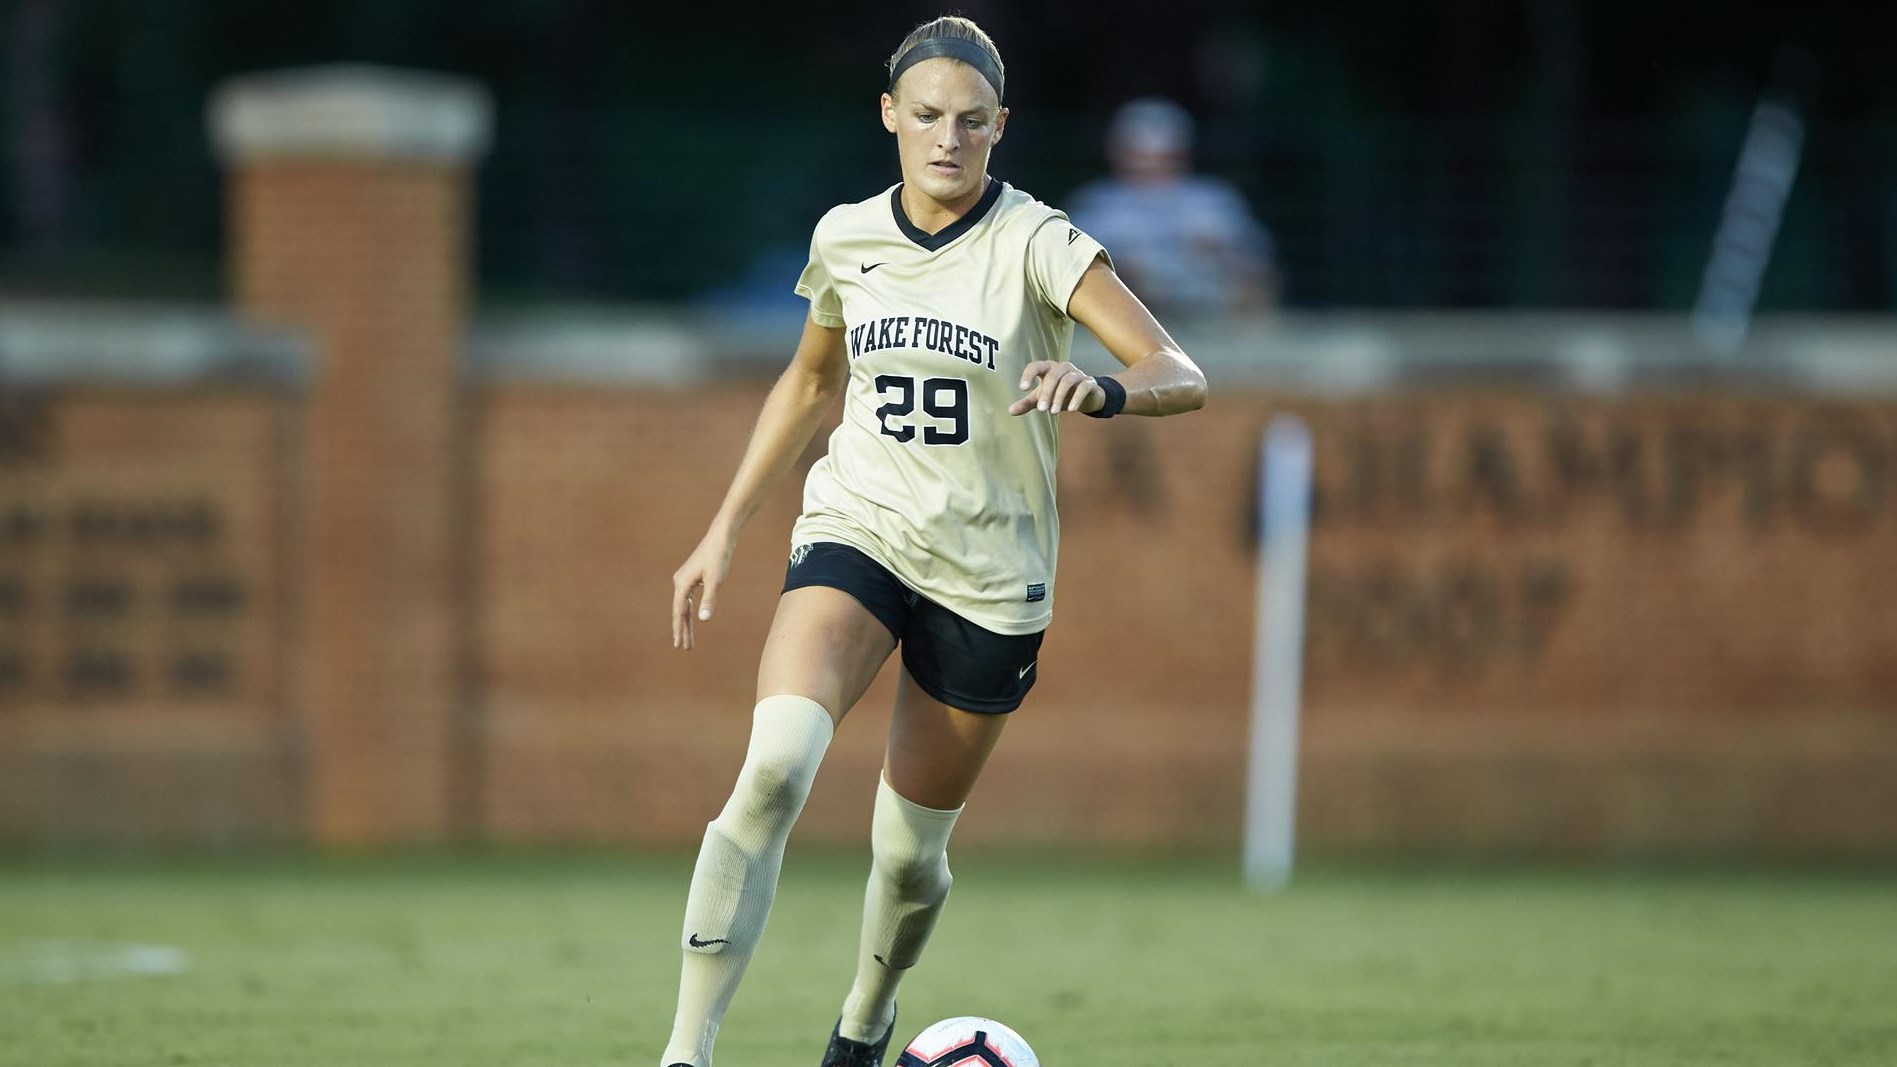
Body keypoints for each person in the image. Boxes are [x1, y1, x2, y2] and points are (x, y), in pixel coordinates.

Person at [660, 16, 1207, 1067]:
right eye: (924, 116)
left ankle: (865, 1019)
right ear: (888, 116)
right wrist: (722, 528)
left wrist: (1100, 387)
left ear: (1000, 126)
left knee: (908, 857)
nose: (946, 139)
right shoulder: (846, 236)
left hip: (990, 576)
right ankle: (686, 1051)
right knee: (773, 767)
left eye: (969, 120)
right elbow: (811, 381)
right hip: (860, 527)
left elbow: (1178, 372)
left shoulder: (1040, 243)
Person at [1066, 96, 1280, 318]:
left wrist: (1222, 259)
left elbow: (1260, 273)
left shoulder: (1214, 200)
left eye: (1164, 157)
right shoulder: (1094, 206)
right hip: (1124, 321)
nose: (1150, 166)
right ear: (1117, 154)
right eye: (1140, 156)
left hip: (1214, 318)